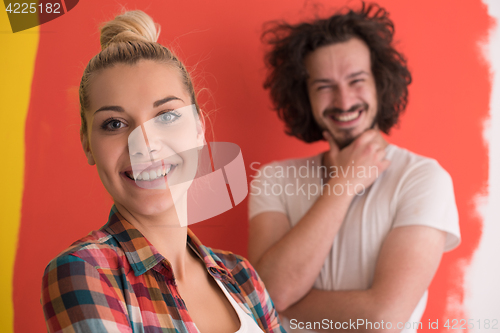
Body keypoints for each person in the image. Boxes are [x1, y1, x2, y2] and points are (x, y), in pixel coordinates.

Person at [41, 10, 285, 333]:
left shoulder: (243, 277)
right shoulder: (84, 271)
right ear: (88, 144)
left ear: (199, 129)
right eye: (114, 124)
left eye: (166, 116)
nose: (144, 145)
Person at [248, 3, 461, 333]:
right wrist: (344, 184)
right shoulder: (274, 178)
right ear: (304, 95)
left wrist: (283, 305)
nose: (344, 101)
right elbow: (269, 293)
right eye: (324, 86)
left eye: (356, 80)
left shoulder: (423, 178)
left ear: (380, 83)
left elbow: (382, 320)